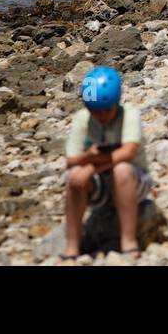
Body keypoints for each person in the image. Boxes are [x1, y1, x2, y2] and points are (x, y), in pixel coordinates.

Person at [63, 66, 151, 260]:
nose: (102, 116)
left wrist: (91, 165)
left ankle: (129, 241)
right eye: (95, 111)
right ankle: (72, 247)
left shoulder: (129, 114)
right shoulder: (82, 120)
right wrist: (87, 158)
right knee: (74, 175)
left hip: (135, 181)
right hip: (100, 186)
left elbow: (128, 152)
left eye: (107, 110)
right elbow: (71, 160)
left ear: (117, 102)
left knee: (121, 169)